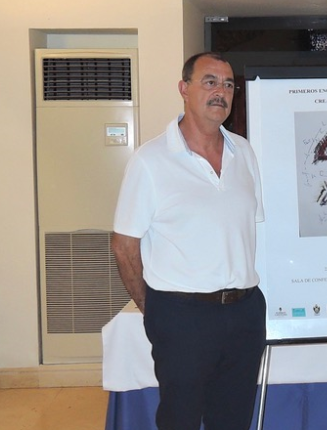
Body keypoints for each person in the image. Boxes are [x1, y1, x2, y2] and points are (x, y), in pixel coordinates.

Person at [112, 52, 266, 430]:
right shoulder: (150, 160)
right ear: (184, 89)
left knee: (233, 421)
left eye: (228, 85)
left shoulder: (244, 152)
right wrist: (155, 309)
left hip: (245, 312)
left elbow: (248, 230)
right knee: (179, 420)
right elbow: (124, 246)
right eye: (209, 82)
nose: (221, 92)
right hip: (182, 317)